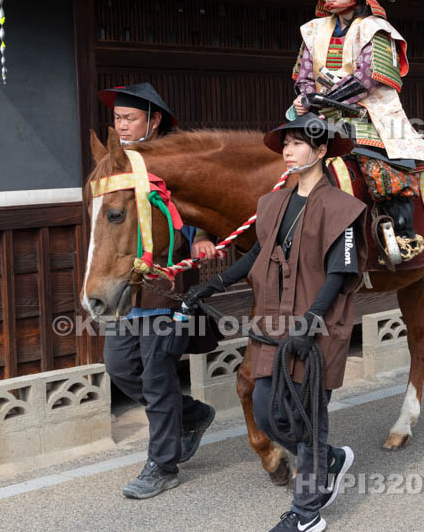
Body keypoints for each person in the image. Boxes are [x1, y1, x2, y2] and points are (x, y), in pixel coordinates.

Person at [186, 114, 364, 531]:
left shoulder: (344, 208)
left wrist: (311, 322)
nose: (288, 150)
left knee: (307, 417)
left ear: (320, 152)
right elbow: (257, 255)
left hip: (316, 325)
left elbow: (340, 272)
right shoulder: (271, 204)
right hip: (272, 322)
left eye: (299, 143)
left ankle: (306, 515)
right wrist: (211, 285)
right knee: (268, 414)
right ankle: (330, 460)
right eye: (286, 143)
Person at [96, 83, 218, 498]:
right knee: (120, 367)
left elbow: (205, 200)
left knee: (157, 375)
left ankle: (162, 465)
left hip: (166, 285)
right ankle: (193, 414)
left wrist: (201, 233)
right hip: (125, 288)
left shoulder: (175, 160)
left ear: (155, 120)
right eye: (117, 118)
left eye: (129, 118)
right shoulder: (115, 164)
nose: (122, 125)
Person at [289, 0, 424, 265]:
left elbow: (369, 77)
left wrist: (325, 98)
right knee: (288, 151)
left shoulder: (375, 29)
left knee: (379, 168)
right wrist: (305, 97)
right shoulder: (313, 30)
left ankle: (401, 235)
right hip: (319, 116)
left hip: (367, 114)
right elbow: (303, 73)